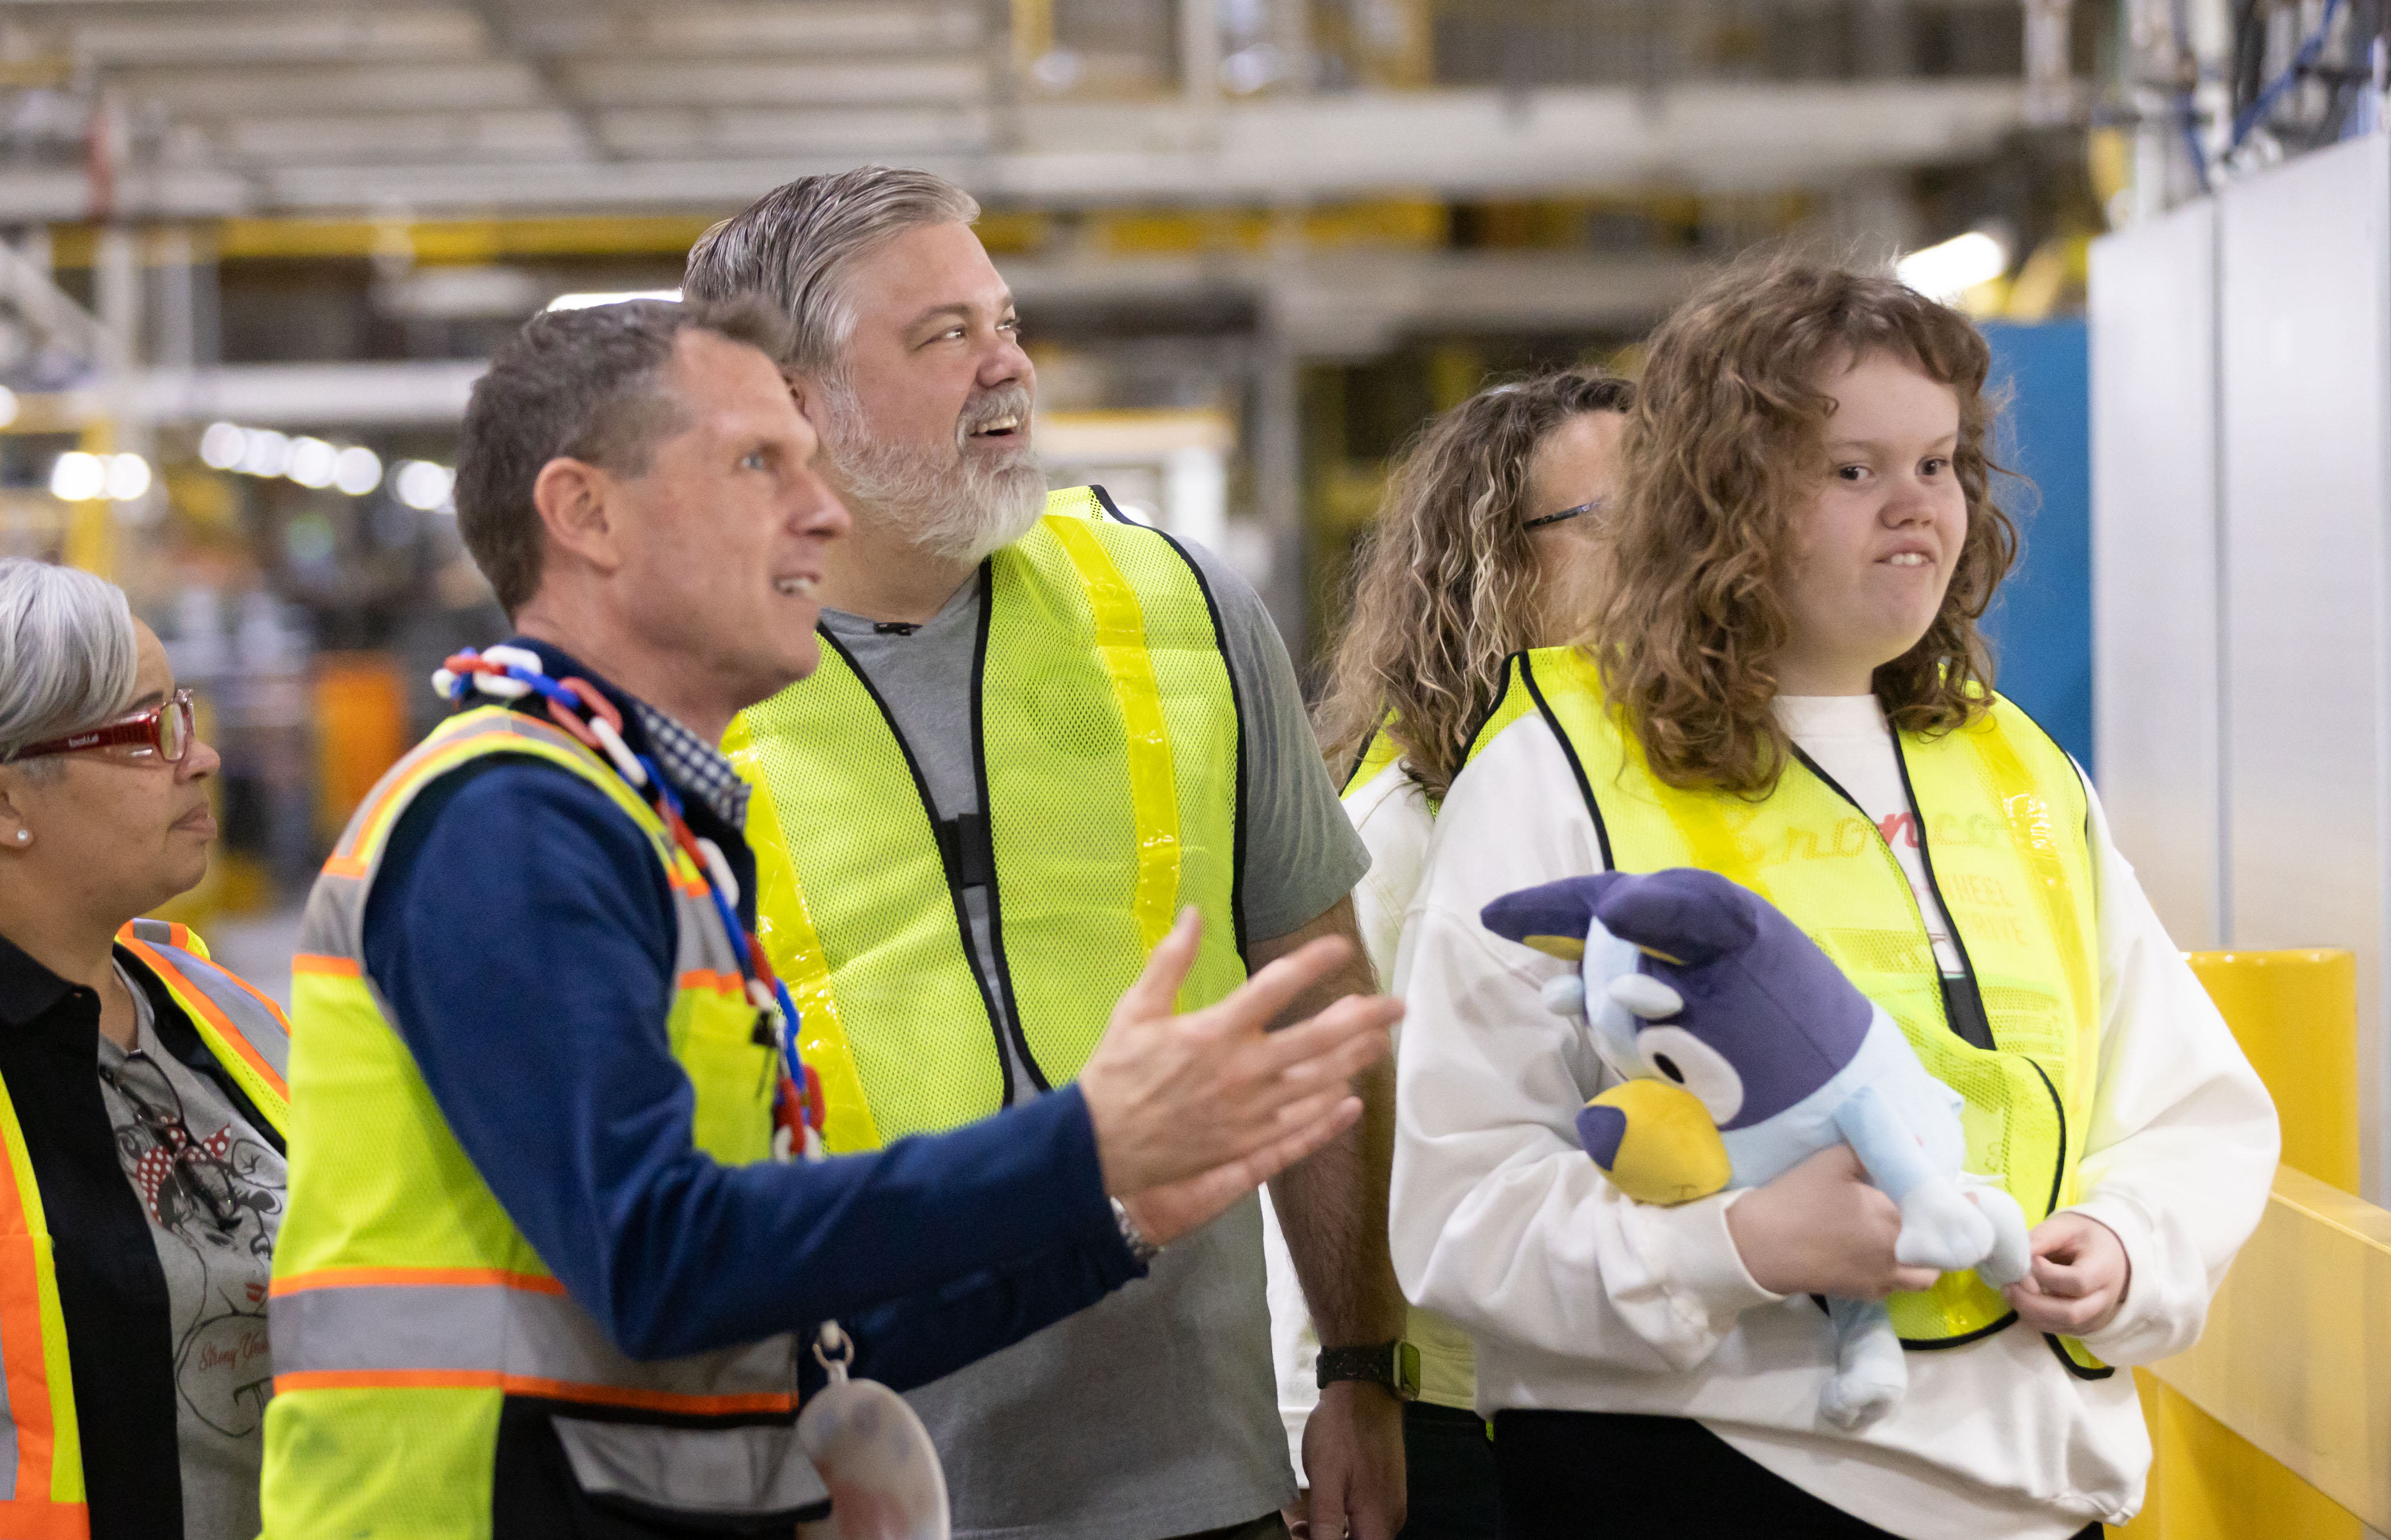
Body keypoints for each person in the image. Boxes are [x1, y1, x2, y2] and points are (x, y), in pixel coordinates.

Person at [257, 297, 1396, 1536]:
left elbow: (795, 1338)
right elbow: (661, 1262)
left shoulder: (643, 833)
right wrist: (1074, 1147)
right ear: (586, 515)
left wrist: (1106, 1220)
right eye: (758, 464)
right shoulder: (508, 823)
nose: (824, 511)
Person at [1387, 258, 2279, 1539]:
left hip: (2034, 1492)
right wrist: (1741, 1246)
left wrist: (2130, 1240)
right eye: (1853, 470)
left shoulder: (2019, 769)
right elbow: (1462, 1205)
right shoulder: (1559, 768)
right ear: (1719, 503)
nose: (1915, 507)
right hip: (1697, 1481)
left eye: (1939, 464)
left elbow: (2188, 1105)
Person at [683, 167, 1410, 1540]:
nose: (1006, 364)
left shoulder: (1177, 612)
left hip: (1201, 1477)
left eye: (1004, 321)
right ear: (788, 400)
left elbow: (1312, 1004)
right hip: (846, 1495)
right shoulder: (663, 706)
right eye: (942, 335)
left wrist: (1360, 1365)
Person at [1280, 368, 1633, 1537]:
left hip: (1648, 1399)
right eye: (1614, 521)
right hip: (1463, 1422)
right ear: (1495, 568)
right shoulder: (1404, 831)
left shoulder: (1677, 799)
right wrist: (1326, 1405)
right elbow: (1327, 1133)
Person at [0, 558, 294, 1540]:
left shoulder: (214, 1006)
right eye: (147, 730)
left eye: (186, 713)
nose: (201, 756)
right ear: (9, 804)